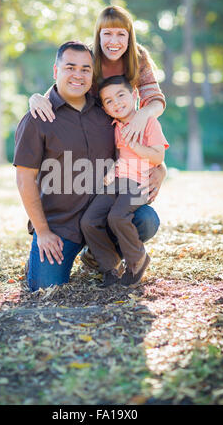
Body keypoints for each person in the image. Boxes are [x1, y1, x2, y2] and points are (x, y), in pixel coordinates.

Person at [26, 5, 167, 273]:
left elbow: (155, 100)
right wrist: (38, 98)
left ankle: (101, 254)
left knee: (143, 218)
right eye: (107, 34)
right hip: (92, 138)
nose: (114, 41)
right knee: (84, 214)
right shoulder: (91, 57)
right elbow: (67, 85)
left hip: (122, 142)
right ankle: (46, 255)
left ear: (130, 36)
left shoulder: (138, 57)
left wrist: (144, 121)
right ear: (98, 36)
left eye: (121, 34)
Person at [81, 75, 169, 288]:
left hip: (139, 183)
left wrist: (136, 146)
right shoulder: (114, 126)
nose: (116, 103)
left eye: (121, 95)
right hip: (117, 182)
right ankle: (110, 267)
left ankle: (137, 260)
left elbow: (158, 158)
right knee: (89, 221)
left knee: (117, 217)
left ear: (134, 95)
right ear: (105, 108)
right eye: (109, 101)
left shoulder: (149, 123)